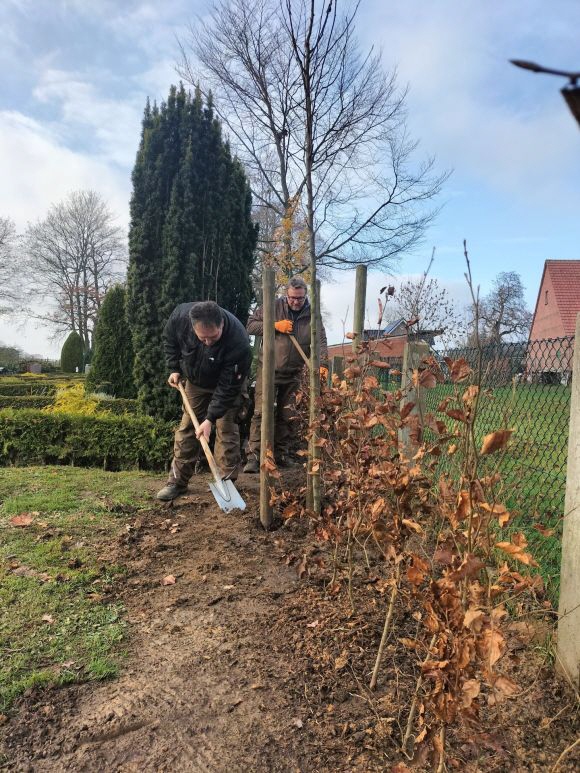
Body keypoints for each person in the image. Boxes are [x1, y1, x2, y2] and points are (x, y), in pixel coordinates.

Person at [156, 300, 252, 501]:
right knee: (188, 428)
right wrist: (174, 367)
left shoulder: (238, 341)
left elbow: (228, 388)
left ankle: (226, 484)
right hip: (196, 381)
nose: (208, 342)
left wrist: (209, 419)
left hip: (227, 384)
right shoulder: (180, 317)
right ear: (192, 327)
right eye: (202, 338)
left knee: (226, 428)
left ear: (222, 325)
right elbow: (169, 339)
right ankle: (176, 482)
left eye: (213, 337)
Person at [243, 277, 328, 472]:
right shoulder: (273, 306)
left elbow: (320, 340)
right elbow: (250, 325)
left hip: (294, 373)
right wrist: (274, 325)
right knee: (261, 413)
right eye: (292, 298)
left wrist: (323, 364)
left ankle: (282, 455)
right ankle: (255, 457)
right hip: (269, 370)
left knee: (288, 416)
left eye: (299, 298)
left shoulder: (312, 314)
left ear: (305, 296)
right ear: (286, 295)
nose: (296, 302)